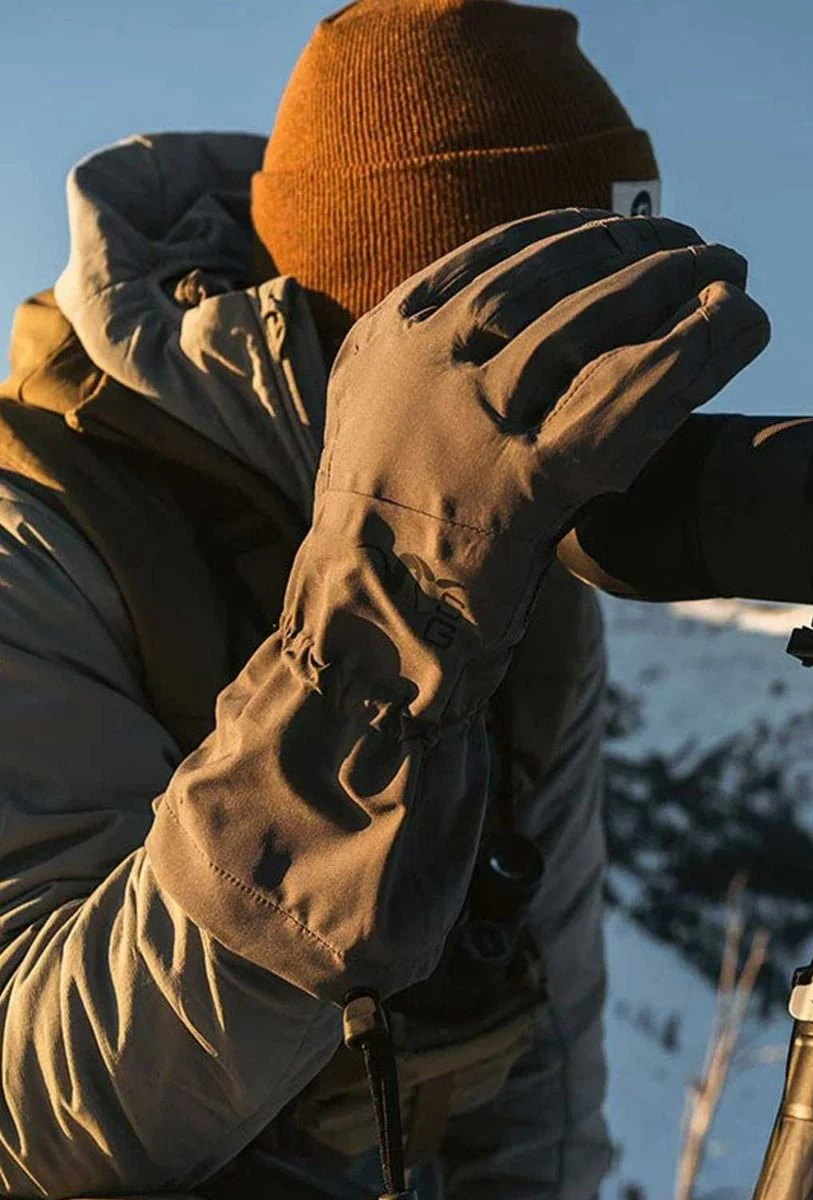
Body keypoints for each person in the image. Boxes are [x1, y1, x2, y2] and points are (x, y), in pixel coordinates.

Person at [0, 2, 768, 1198]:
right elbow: (46, 1122)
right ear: (426, 321)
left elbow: (540, 1048)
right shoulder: (40, 529)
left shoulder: (529, 552)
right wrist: (393, 603)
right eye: (561, 359)